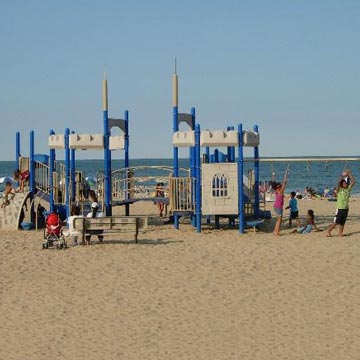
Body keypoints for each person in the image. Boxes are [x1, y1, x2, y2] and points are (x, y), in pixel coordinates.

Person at [327, 171, 356, 237]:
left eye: (346, 183)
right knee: (337, 222)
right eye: (344, 183)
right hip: (340, 208)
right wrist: (343, 176)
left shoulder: (348, 189)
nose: (345, 184)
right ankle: (329, 231)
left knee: (343, 222)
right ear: (342, 185)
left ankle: (340, 233)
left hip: (346, 208)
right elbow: (338, 182)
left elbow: (353, 181)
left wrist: (349, 174)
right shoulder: (339, 190)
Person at [272, 168, 289, 236]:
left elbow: (273, 182)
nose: (283, 186)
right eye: (281, 186)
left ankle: (275, 231)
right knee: (279, 220)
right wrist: (286, 174)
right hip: (278, 207)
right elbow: (284, 182)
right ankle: (277, 232)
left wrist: (273, 174)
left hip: (276, 206)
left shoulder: (275, 190)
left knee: (278, 220)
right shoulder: (280, 191)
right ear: (279, 187)